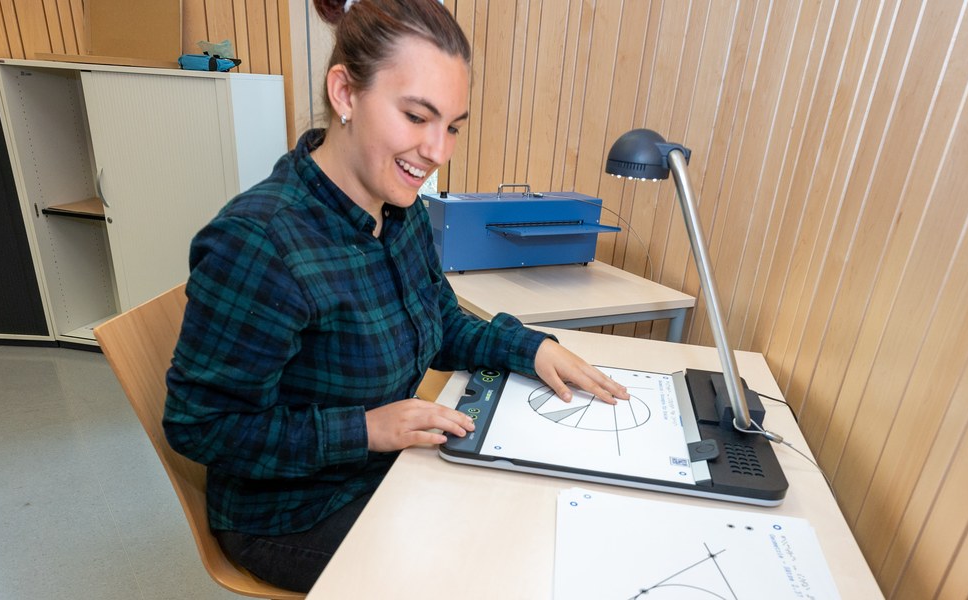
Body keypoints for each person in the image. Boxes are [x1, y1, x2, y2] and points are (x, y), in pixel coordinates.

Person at [162, 0, 629, 592]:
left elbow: (437, 322)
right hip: (293, 515)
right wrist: (366, 429)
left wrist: (528, 349)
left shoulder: (395, 208)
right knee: (498, 574)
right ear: (345, 93)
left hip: (385, 469)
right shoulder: (260, 243)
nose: (438, 151)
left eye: (453, 125)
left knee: (537, 516)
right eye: (416, 116)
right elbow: (202, 428)